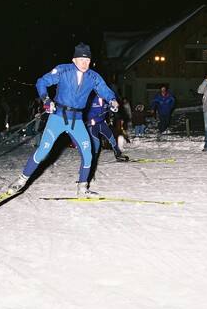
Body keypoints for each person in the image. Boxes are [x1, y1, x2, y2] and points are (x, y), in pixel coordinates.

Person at [7, 43, 119, 198]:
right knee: (43, 150)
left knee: (88, 154)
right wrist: (46, 99)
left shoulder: (93, 77)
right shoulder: (63, 69)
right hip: (58, 117)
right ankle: (21, 180)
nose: (85, 63)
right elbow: (42, 82)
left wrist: (112, 100)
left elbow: (104, 90)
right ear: (74, 60)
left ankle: (82, 188)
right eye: (81, 60)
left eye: (87, 60)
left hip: (77, 120)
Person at [86, 92, 129, 163]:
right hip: (92, 124)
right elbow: (83, 108)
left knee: (112, 139)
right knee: (96, 143)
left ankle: (118, 154)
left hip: (102, 122)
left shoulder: (107, 99)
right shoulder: (91, 98)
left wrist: (115, 112)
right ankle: (93, 160)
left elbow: (113, 110)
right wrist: (87, 119)